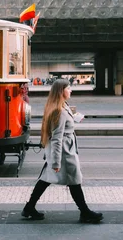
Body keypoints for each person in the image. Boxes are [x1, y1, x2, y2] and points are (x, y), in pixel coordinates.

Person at [21, 79, 103, 223]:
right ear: (61, 91)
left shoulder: (62, 106)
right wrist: (56, 162)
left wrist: (76, 117)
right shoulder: (59, 111)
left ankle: (29, 207)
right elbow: (57, 138)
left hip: (65, 148)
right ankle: (85, 212)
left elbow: (67, 117)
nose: (71, 90)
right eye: (69, 88)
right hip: (65, 152)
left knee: (46, 179)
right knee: (74, 180)